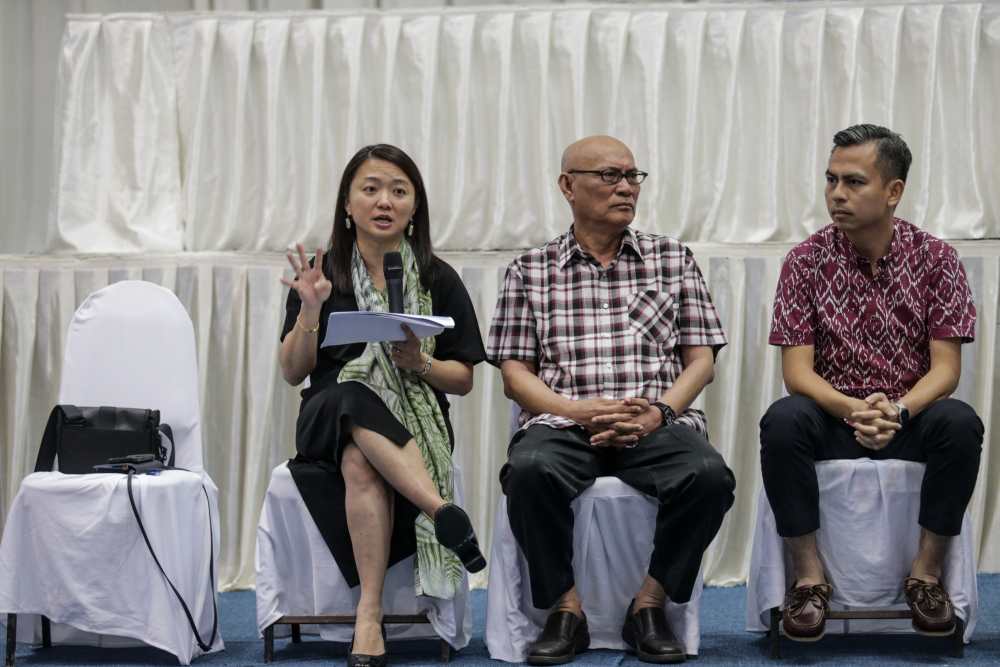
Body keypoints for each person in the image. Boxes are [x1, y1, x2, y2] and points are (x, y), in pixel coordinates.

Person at [487, 135, 735, 665]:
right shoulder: (530, 270)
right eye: (608, 176)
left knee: (710, 477)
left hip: (653, 422)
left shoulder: (672, 259)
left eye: (632, 176)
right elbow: (514, 374)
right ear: (567, 186)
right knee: (527, 471)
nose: (625, 187)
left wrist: (659, 413)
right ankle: (566, 610)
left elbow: (702, 361)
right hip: (563, 422)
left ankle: (648, 605)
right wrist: (576, 410)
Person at [760, 124, 983, 641]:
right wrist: (852, 410)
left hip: (909, 417)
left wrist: (898, 412)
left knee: (960, 422)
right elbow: (797, 374)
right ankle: (809, 580)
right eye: (831, 180)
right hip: (833, 415)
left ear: (893, 191)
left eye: (854, 182)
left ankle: (925, 576)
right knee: (783, 420)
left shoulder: (938, 260)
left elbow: (946, 371)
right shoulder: (804, 261)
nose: (837, 194)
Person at [279, 144, 487, 667]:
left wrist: (418, 362)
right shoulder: (322, 273)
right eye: (370, 189)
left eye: (398, 190)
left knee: (359, 460)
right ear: (347, 205)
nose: (384, 201)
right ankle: (440, 510)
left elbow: (462, 379)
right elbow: (293, 371)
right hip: (327, 413)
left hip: (411, 420)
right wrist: (310, 308)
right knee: (352, 393)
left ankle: (367, 616)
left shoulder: (438, 277)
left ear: (414, 206)